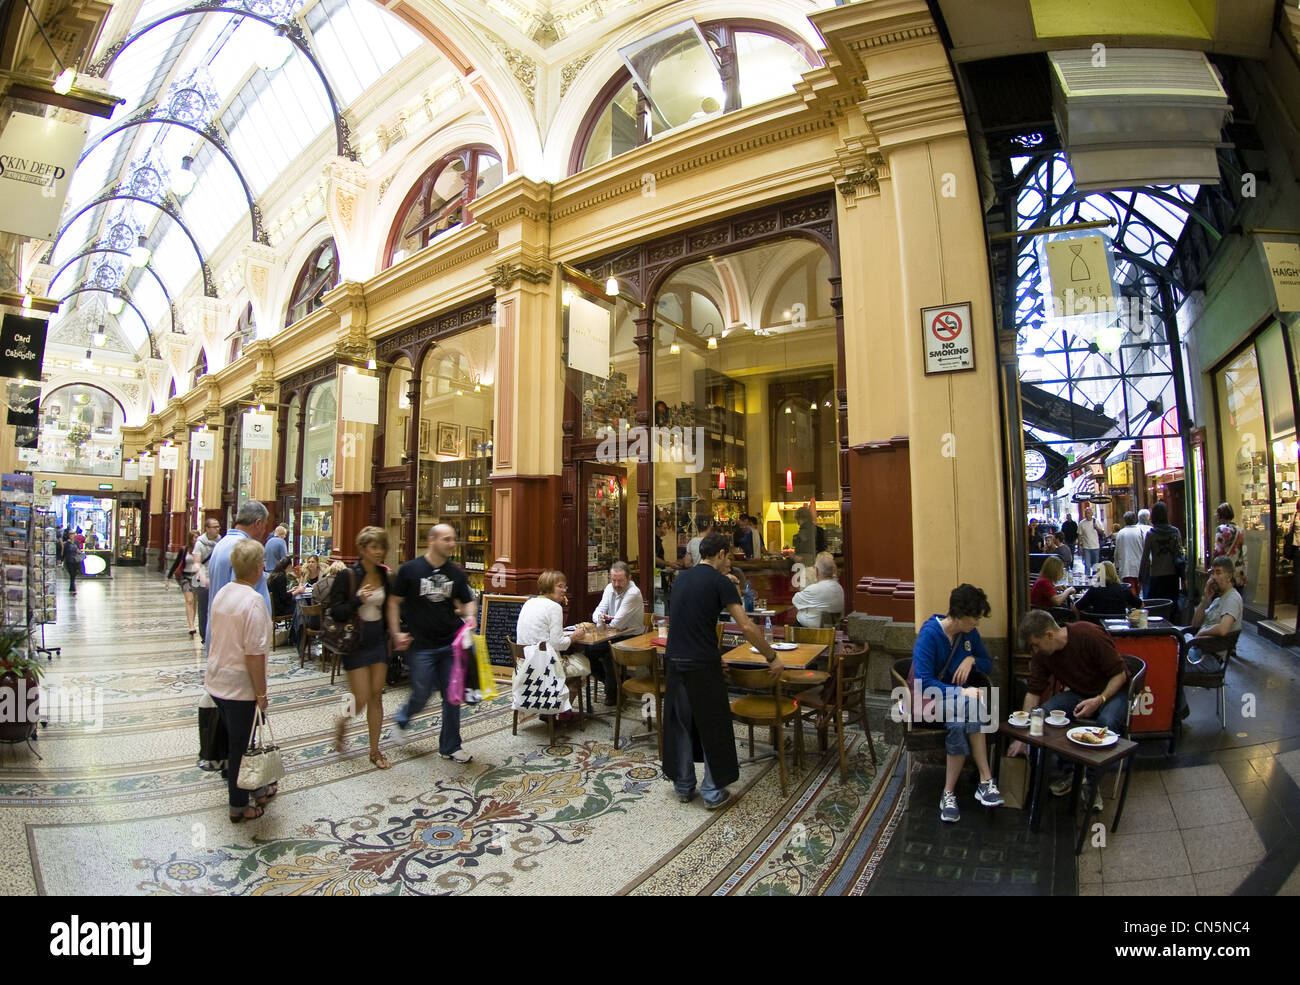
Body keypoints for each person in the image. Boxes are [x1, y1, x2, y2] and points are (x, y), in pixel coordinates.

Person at [663, 532, 782, 810]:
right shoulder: (720, 582)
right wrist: (771, 656)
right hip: (702, 664)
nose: (728, 561)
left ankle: (683, 785)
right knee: (712, 724)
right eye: (727, 556)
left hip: (675, 660)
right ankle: (713, 791)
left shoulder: (681, 579)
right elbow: (747, 626)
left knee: (680, 724)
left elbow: (689, 620)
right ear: (719, 554)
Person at [1011, 610, 1129, 810]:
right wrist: (1023, 737)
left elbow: (1120, 675)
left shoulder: (1089, 634)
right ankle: (1071, 771)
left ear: (1049, 635)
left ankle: (1091, 783)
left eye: (1035, 644)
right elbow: (1033, 692)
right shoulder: (1043, 655)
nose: (1035, 650)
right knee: (1047, 713)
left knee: (1107, 723)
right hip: (1079, 693)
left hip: (1111, 692)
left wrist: (1099, 700)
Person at [911, 584, 1002, 822]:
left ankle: (949, 792)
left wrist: (972, 659)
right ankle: (985, 780)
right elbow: (924, 683)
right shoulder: (930, 634)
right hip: (927, 702)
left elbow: (988, 663)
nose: (978, 623)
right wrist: (961, 693)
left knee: (961, 719)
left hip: (957, 704)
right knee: (970, 704)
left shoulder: (968, 634)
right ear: (960, 615)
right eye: (975, 618)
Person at [389, 523, 476, 763]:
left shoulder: (456, 573)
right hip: (421, 645)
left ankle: (450, 745)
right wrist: (396, 632)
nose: (451, 543)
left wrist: (470, 616)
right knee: (422, 691)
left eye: (453, 539)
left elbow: (468, 600)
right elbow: (394, 602)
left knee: (452, 694)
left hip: (449, 644)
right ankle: (402, 719)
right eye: (446, 539)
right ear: (432, 540)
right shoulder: (410, 570)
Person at [204, 536, 275, 823]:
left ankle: (257, 786)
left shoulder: (223, 592)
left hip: (217, 680)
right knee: (241, 748)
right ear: (258, 567)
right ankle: (238, 805)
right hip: (239, 687)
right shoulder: (254, 601)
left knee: (242, 741)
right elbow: (254, 654)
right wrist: (261, 693)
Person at [331, 527, 395, 769]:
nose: (379, 552)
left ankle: (375, 750)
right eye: (374, 547)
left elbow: (390, 607)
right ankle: (342, 722)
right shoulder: (348, 575)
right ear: (363, 549)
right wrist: (358, 599)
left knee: (376, 695)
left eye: (382, 547)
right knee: (362, 696)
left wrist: (396, 634)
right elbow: (335, 610)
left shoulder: (385, 576)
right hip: (355, 642)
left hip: (378, 640)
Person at [512, 569, 589, 717]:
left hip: (524, 663)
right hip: (544, 665)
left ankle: (551, 710)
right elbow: (558, 644)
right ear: (548, 587)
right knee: (583, 663)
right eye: (560, 586)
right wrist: (575, 636)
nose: (564, 590)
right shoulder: (555, 607)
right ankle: (561, 713)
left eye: (565, 587)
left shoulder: (530, 602)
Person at [206, 501, 272, 642]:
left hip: (220, 635)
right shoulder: (245, 549)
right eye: (265, 525)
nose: (264, 531)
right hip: (237, 639)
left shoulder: (222, 543)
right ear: (258, 523)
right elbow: (240, 599)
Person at [586, 561, 645, 704]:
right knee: (588, 653)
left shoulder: (633, 592)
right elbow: (597, 613)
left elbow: (617, 623)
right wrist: (602, 619)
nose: (616, 584)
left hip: (632, 635)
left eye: (620, 581)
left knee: (602, 652)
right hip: (613, 634)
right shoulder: (609, 588)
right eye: (613, 580)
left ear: (629, 578)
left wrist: (606, 622)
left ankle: (613, 691)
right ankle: (616, 685)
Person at [1182, 556, 1243, 673]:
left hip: (1210, 658)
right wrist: (1205, 599)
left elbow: (1223, 629)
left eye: (1218, 573)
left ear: (1229, 576)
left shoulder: (1232, 599)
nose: (1213, 577)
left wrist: (1200, 634)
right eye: (1212, 573)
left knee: (1170, 664)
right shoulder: (1217, 600)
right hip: (1198, 650)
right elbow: (1195, 623)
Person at [1138, 501, 1182, 605]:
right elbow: (1180, 553)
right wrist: (1183, 577)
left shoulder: (1151, 534)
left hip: (1157, 575)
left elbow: (1145, 557)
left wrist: (1141, 577)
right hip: (1172, 575)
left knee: (1157, 606)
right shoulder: (1175, 532)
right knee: (1172, 606)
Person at [792, 552, 845, 628]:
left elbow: (795, 600)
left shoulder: (815, 589)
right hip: (831, 630)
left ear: (816, 571)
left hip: (809, 632)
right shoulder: (839, 588)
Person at [168, 529, 202, 637]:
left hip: (196, 577)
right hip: (185, 577)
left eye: (197, 537)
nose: (196, 539)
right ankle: (191, 626)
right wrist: (168, 578)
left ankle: (192, 621)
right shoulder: (184, 550)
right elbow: (176, 563)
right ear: (190, 539)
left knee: (195, 601)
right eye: (194, 537)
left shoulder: (201, 550)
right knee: (189, 600)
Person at [194, 517, 222, 644]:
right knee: (204, 608)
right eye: (215, 527)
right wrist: (203, 578)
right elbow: (197, 564)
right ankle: (205, 636)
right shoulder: (200, 543)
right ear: (207, 529)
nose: (217, 529)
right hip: (202, 581)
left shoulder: (220, 541)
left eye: (218, 527)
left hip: (216, 580)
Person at [1212, 503, 1247, 593]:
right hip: (1239, 571)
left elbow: (1218, 552)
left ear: (1221, 516)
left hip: (1226, 572)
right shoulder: (1240, 530)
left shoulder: (1222, 529)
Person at [1113, 511, 1146, 595]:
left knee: (1130, 590)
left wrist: (1116, 564)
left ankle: (1133, 606)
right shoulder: (1140, 532)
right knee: (1138, 589)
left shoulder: (1121, 533)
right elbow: (1144, 548)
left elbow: (1117, 551)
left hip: (1126, 566)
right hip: (1138, 565)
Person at [1076, 507, 1104, 573]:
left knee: (1095, 565)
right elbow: (1079, 535)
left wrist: (1096, 527)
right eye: (1086, 513)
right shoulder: (1082, 523)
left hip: (1095, 546)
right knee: (1087, 565)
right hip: (1086, 547)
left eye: (1088, 513)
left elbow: (1102, 532)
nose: (1087, 515)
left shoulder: (1096, 521)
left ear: (1092, 513)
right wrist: (1079, 547)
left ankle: (1095, 578)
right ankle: (1087, 579)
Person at [63, 529, 82, 594]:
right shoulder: (66, 544)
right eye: (70, 534)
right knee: (72, 574)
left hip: (75, 560)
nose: (72, 536)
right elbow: (64, 552)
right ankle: (73, 588)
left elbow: (79, 550)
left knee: (74, 574)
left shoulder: (77, 542)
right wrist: (61, 559)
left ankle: (72, 588)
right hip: (69, 560)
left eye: (73, 534)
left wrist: (79, 551)